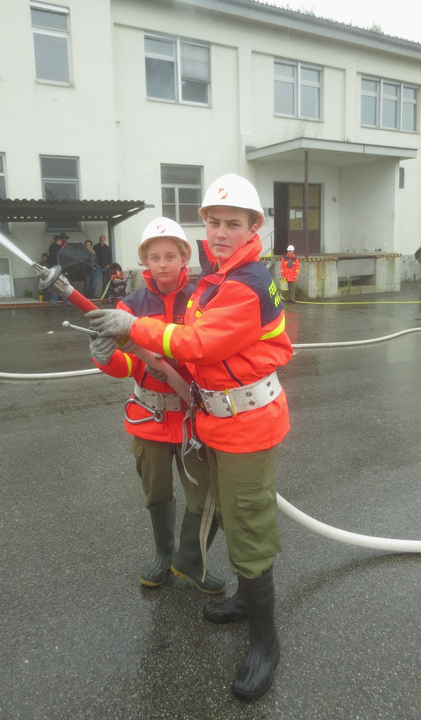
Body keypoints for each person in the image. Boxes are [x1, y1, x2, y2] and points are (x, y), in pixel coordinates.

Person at [86, 174, 293, 701]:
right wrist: (118, 352)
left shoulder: (245, 281)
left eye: (233, 223)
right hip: (218, 420)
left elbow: (197, 343)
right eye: (214, 222)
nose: (221, 232)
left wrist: (132, 328)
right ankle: (245, 602)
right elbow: (178, 358)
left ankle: (265, 643)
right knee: (224, 506)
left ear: (253, 227)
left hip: (247, 425)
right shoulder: (217, 279)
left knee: (247, 526)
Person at [88, 217, 224, 594]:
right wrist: (104, 357)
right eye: (154, 256)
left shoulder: (203, 299)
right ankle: (164, 555)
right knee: (157, 493)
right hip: (149, 415)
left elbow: (208, 353)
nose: (162, 263)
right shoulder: (129, 305)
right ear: (144, 261)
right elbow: (128, 364)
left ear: (185, 258)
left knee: (204, 495)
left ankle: (190, 562)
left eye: (170, 255)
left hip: (193, 416)